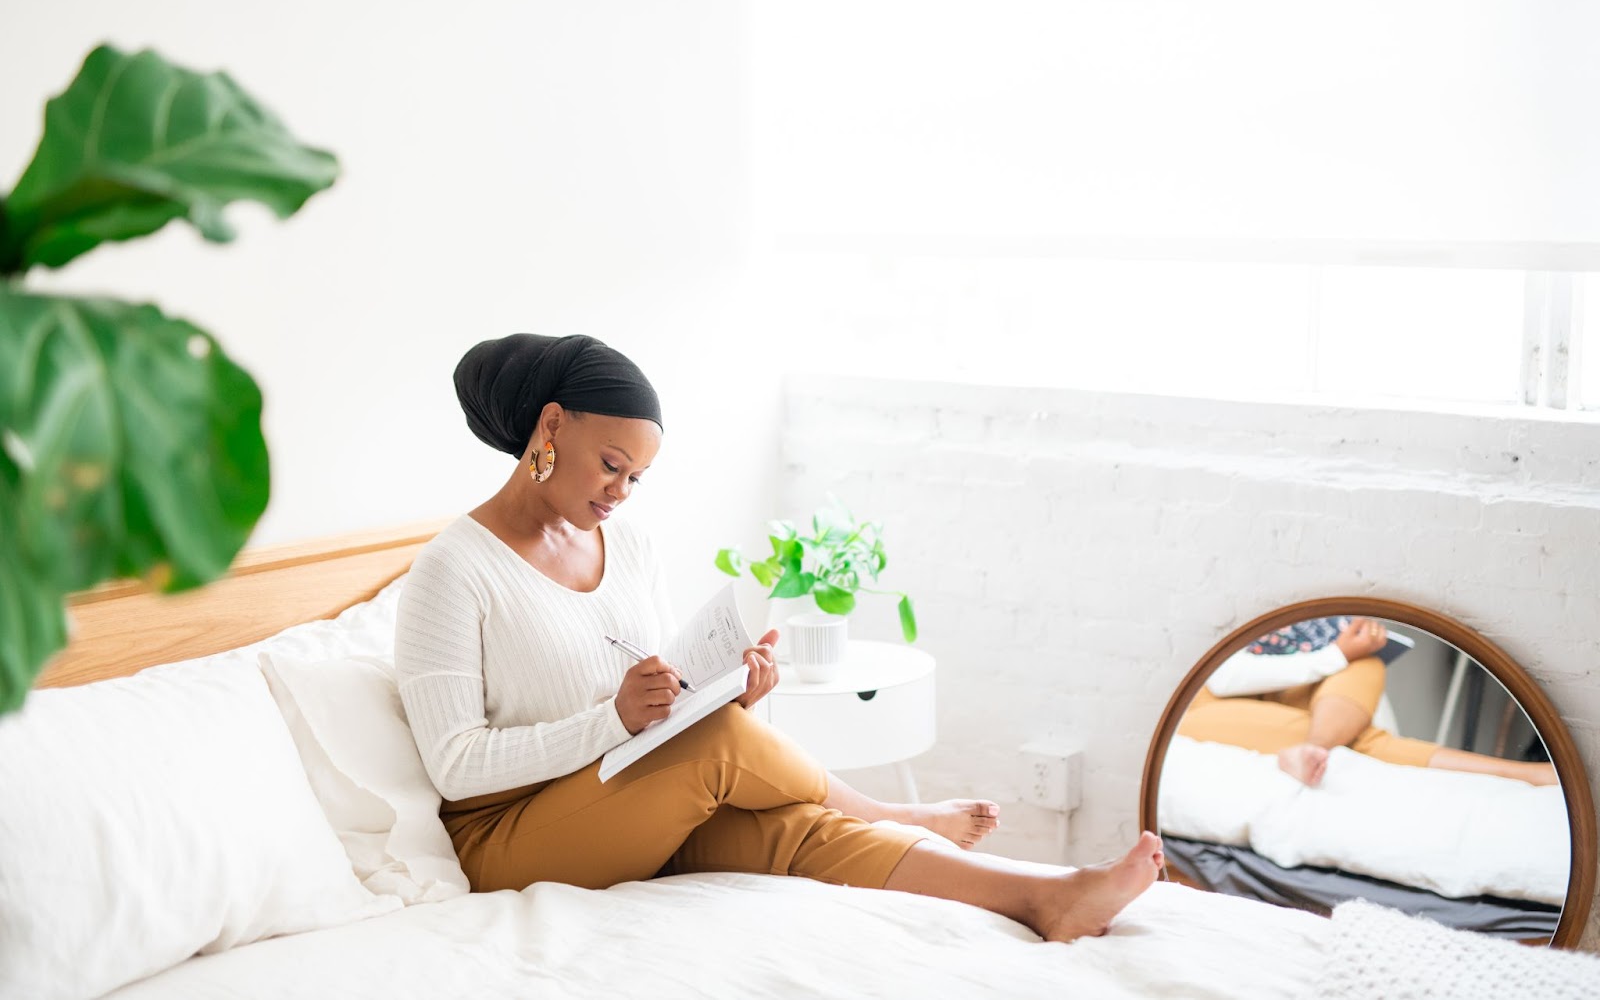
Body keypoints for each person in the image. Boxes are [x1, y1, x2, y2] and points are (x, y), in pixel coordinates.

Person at [394, 332, 1165, 944]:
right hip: (508, 837)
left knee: (796, 827)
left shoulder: (628, 548)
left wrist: (724, 689)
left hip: (617, 792)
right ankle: (897, 813)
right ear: (552, 425)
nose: (620, 493)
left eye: (637, 478)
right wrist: (617, 721)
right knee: (721, 745)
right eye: (612, 465)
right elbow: (458, 769)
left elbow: (653, 696)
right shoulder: (453, 570)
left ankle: (1043, 896)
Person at [1179, 616, 1557, 788]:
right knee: (1364, 741)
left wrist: (1351, 653)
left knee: (1366, 662)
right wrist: (1336, 655)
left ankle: (1313, 747)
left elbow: (1352, 675)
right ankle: (1516, 772)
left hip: (1317, 700)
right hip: (1216, 701)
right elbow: (1223, 677)